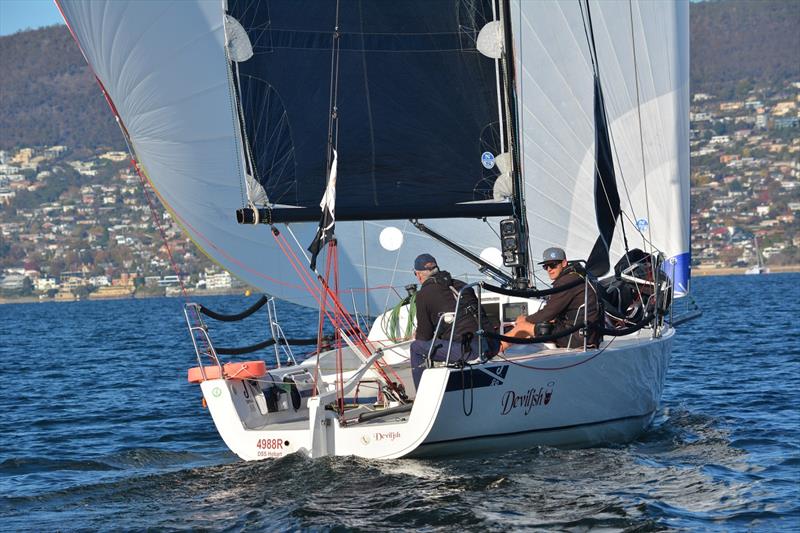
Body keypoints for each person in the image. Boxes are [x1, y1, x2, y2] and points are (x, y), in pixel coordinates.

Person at [409, 253, 497, 388]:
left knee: (416, 348)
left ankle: (422, 393)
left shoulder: (423, 295)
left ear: (419, 275)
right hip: (490, 345)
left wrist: (419, 335)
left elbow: (424, 337)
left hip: (467, 351)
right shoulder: (463, 285)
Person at [501, 247, 601, 351]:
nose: (549, 269)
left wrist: (525, 320)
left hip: (576, 337)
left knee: (523, 327)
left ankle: (494, 350)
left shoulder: (566, 281)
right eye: (546, 266)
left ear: (564, 263)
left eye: (553, 265)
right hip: (585, 335)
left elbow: (548, 312)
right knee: (538, 325)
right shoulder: (576, 276)